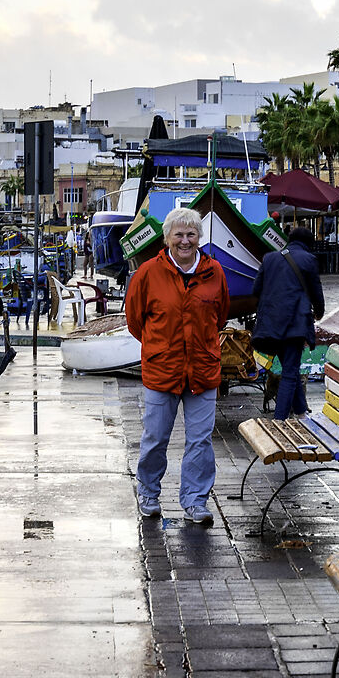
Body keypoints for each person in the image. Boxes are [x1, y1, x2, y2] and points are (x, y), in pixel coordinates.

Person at [126, 206, 228, 524]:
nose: (185, 241)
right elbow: (134, 320)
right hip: (162, 370)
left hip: (203, 370)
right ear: (167, 237)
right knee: (155, 438)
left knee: (200, 441)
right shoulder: (148, 273)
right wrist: (159, 347)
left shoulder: (215, 273)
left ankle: (195, 501)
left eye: (191, 234)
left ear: (199, 237)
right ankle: (148, 494)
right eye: (178, 234)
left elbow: (220, 316)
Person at [255, 226, 324, 420]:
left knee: (289, 367)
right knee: (290, 372)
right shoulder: (309, 259)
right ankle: (280, 421)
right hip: (295, 325)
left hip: (271, 325)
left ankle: (301, 412)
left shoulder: (269, 258)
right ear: (308, 244)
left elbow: (256, 288)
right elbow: (316, 292)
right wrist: (319, 312)